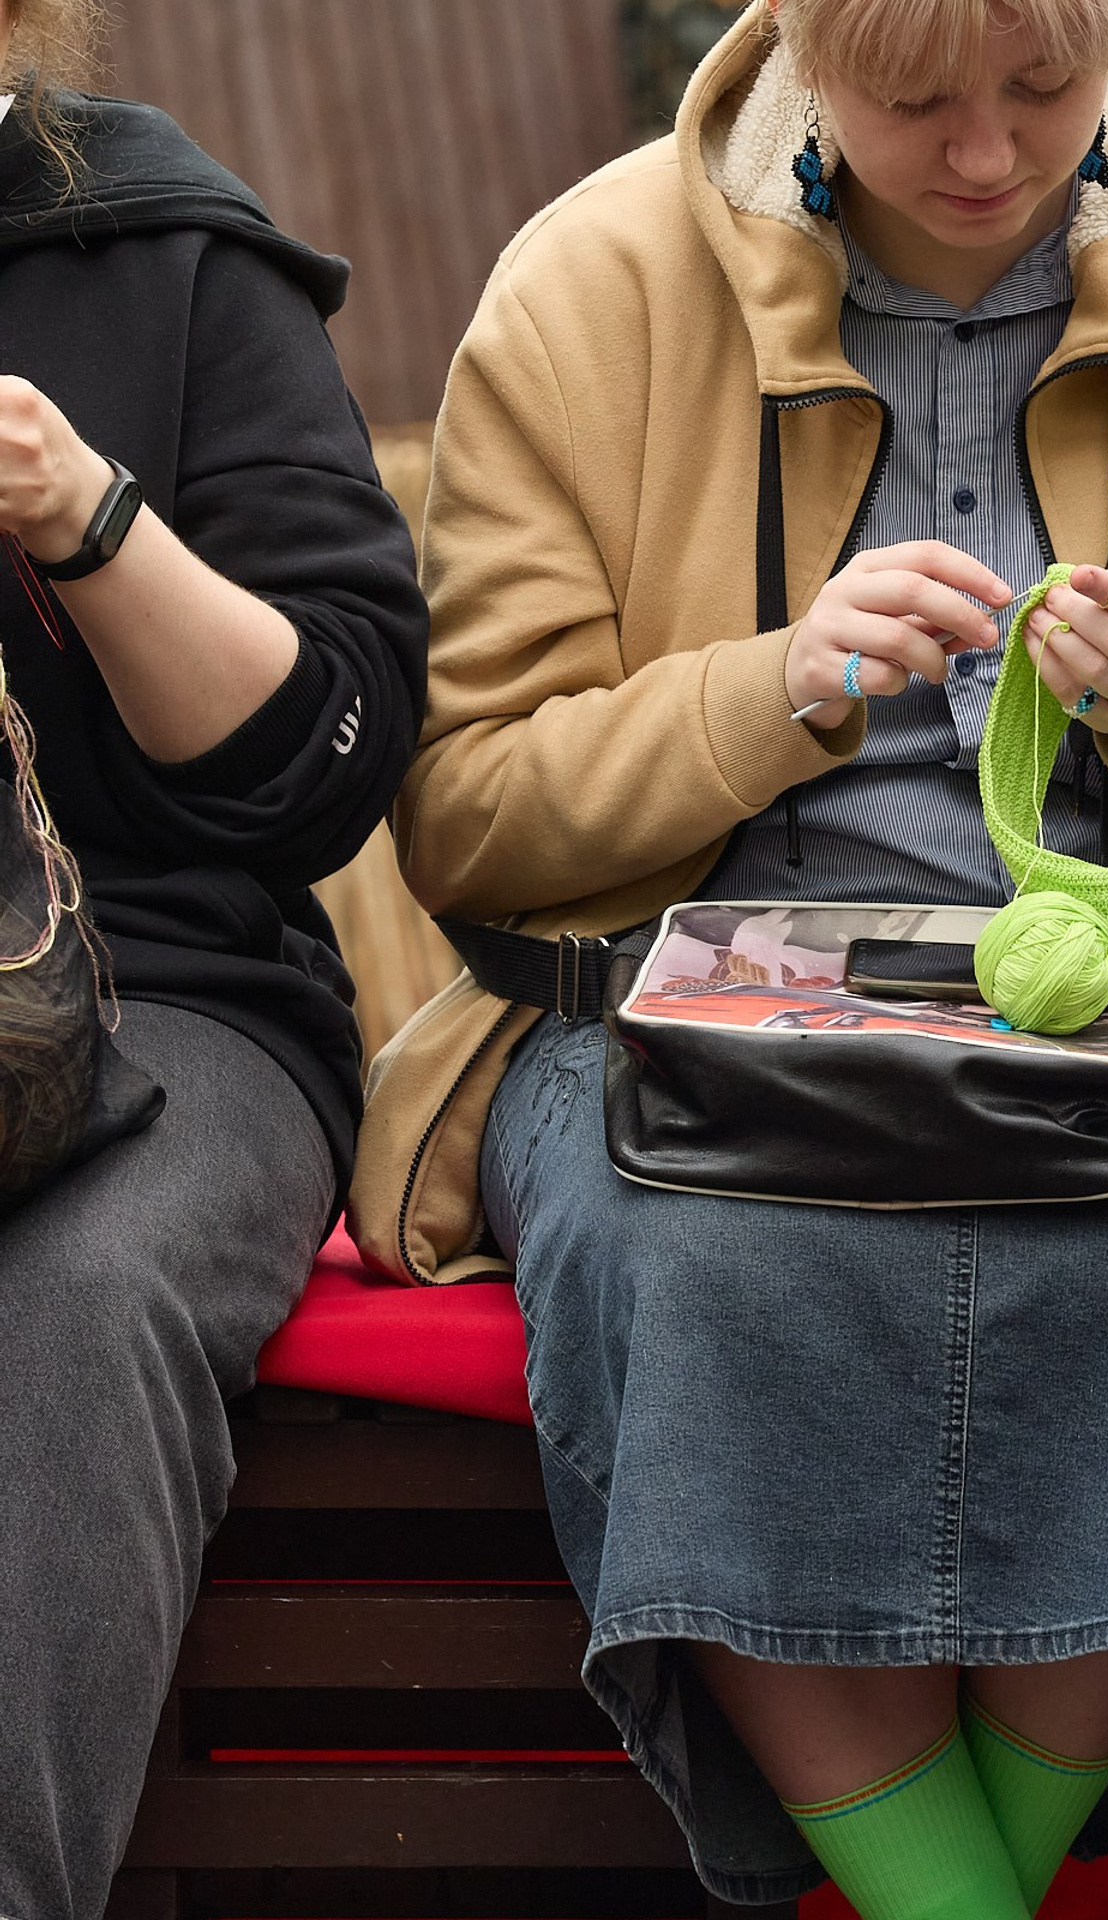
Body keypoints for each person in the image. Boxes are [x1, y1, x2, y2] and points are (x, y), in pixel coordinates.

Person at [348, 0, 1108, 1911]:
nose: (983, 154)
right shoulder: (587, 286)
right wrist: (769, 688)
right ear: (797, 35)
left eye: (1043, 86)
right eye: (910, 98)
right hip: (658, 1016)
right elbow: (464, 819)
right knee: (677, 1250)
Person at [0, 3, 430, 1913]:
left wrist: (84, 519)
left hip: (171, 1005)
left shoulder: (164, 253)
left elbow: (326, 768)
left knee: (73, 1304)